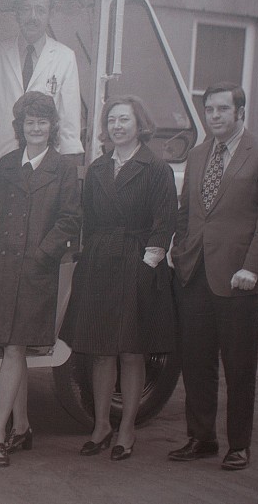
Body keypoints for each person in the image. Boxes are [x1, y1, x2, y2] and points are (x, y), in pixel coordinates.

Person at [0, 91, 80, 467]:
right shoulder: (8, 164)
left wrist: (42, 255)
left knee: (13, 349)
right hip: (0, 271)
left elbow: (70, 220)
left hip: (34, 275)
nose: (36, 128)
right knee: (16, 350)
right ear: (21, 127)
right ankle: (23, 426)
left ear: (52, 126)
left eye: (43, 121)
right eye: (30, 122)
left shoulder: (63, 169)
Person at [59, 95, 176, 461]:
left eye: (124, 120)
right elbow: (89, 220)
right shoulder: (96, 169)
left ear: (139, 124)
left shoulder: (156, 168)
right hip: (98, 262)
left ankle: (126, 427)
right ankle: (101, 426)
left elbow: (165, 223)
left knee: (131, 350)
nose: (117, 126)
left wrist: (147, 265)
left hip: (136, 261)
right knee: (99, 351)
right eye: (111, 120)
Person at [168, 82, 258, 471]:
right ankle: (201, 438)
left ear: (240, 112)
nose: (214, 116)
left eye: (222, 110)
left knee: (239, 365)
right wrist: (180, 252)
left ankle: (239, 445)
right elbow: (187, 211)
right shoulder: (198, 155)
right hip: (195, 272)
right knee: (196, 362)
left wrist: (252, 267)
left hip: (239, 278)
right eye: (209, 109)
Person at [0, 0, 84, 182]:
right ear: (17, 14)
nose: (33, 16)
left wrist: (67, 171)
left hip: (43, 161)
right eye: (26, 9)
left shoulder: (65, 57)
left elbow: (69, 121)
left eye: (40, 10)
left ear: (50, 15)